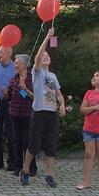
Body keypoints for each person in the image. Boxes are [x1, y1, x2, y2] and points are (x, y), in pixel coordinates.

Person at [19, 28, 65, 187]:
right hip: (39, 111)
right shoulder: (37, 72)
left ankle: (49, 175)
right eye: (43, 56)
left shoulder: (53, 76)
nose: (45, 57)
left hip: (52, 113)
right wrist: (47, 37)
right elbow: (38, 56)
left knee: (51, 145)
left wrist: (62, 105)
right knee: (34, 144)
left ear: (50, 61)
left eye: (47, 56)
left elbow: (59, 93)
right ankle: (25, 170)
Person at [7, 54, 36, 176]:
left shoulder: (32, 78)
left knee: (27, 141)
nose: (15, 65)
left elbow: (35, 97)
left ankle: (31, 167)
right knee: (16, 141)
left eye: (17, 63)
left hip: (27, 114)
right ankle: (17, 166)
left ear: (24, 65)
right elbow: (9, 95)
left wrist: (26, 90)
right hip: (14, 113)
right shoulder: (14, 78)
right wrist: (6, 93)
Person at [0, 46, 16, 170]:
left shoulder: (15, 67)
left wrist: (9, 92)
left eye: (0, 53)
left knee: (11, 134)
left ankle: (12, 163)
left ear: (8, 53)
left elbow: (20, 86)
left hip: (11, 104)